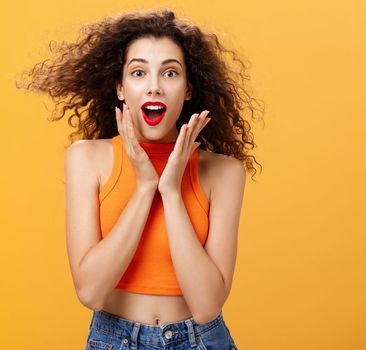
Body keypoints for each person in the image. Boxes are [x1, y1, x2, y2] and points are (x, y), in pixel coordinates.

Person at [17, 9, 263, 350]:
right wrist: (146, 188)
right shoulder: (86, 159)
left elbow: (207, 306)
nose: (154, 86)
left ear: (189, 88)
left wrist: (172, 192)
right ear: (120, 87)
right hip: (113, 341)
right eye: (138, 72)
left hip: (202, 341)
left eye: (170, 73)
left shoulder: (223, 172)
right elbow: (90, 291)